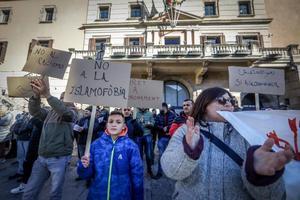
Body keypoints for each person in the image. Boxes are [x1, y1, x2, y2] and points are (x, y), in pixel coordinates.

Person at [161, 87, 293, 200]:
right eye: (222, 100)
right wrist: (188, 150)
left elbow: (274, 196)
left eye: (232, 101)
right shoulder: (186, 130)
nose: (229, 104)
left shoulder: (246, 132)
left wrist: (260, 176)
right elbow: (171, 172)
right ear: (204, 104)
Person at [22, 79, 77, 200]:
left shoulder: (73, 112)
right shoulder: (50, 113)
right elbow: (34, 111)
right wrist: (36, 96)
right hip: (41, 158)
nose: (63, 99)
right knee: (29, 192)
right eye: (61, 97)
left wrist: (47, 94)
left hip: (59, 159)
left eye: (66, 97)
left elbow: (65, 113)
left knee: (54, 194)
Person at [77, 111, 143, 200]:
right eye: (111, 121)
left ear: (124, 125)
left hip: (122, 196)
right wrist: (84, 166)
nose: (114, 124)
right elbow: (85, 175)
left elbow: (137, 177)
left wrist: (138, 197)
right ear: (106, 124)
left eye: (118, 122)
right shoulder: (96, 145)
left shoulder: (131, 146)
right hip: (97, 195)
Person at [10, 117, 43, 194]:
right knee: (25, 162)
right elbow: (15, 127)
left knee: (29, 165)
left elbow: (30, 127)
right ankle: (24, 181)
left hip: (35, 147)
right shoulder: (27, 117)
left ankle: (26, 186)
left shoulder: (40, 120)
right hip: (31, 144)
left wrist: (34, 119)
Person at [154, 102, 176, 179]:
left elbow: (175, 123)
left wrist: (169, 128)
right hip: (162, 137)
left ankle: (172, 171)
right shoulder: (158, 116)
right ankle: (159, 172)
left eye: (162, 108)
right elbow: (155, 125)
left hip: (171, 138)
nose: (160, 109)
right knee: (161, 155)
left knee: (172, 155)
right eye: (159, 108)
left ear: (166, 107)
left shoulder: (173, 115)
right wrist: (162, 128)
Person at [136, 108, 155, 178]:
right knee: (139, 155)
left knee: (148, 155)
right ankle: (139, 171)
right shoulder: (137, 113)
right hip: (139, 136)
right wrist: (139, 122)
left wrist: (150, 124)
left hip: (148, 135)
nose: (143, 107)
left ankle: (149, 171)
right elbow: (135, 124)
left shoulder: (150, 113)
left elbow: (153, 123)